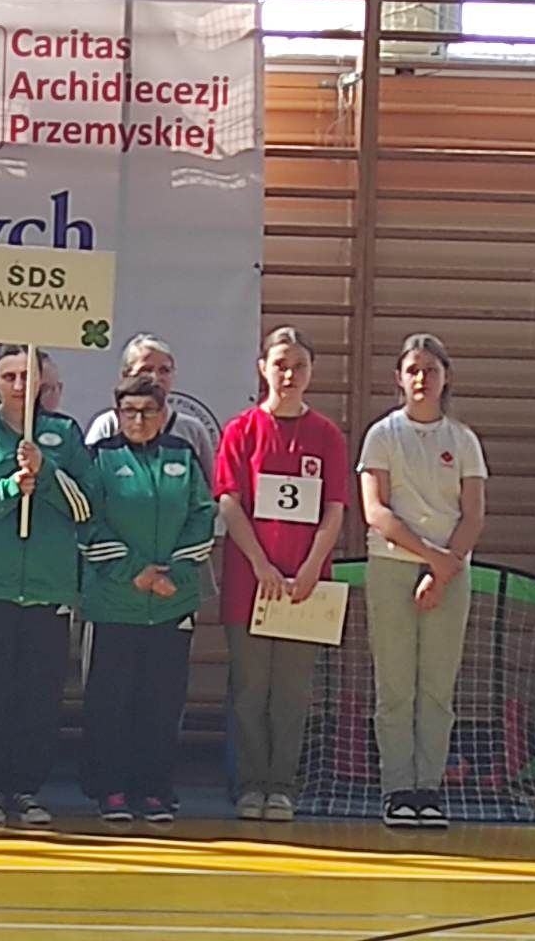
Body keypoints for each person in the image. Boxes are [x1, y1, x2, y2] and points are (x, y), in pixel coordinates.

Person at [0, 345, 96, 827]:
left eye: (28, 375)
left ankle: (25, 787)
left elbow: (87, 507)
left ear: (43, 380)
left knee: (39, 695)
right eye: (9, 376)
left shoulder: (65, 434)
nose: (20, 386)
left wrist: (46, 473)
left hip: (49, 587)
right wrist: (7, 489)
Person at [215, 326, 348, 822]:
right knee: (251, 690)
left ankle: (283, 786)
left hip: (305, 587)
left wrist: (311, 567)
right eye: (280, 364)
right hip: (251, 583)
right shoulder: (241, 430)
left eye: (299, 366)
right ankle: (251, 784)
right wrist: (260, 563)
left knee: (292, 692)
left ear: (311, 371)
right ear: (262, 369)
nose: (289, 374)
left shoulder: (326, 435)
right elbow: (229, 502)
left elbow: (334, 507)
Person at [359, 335, 487, 829]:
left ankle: (429, 789)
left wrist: (443, 570)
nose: (422, 379)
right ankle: (397, 789)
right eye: (413, 370)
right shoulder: (382, 435)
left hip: (450, 571)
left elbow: (473, 514)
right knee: (395, 686)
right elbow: (376, 511)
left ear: (445, 377)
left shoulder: (463, 440)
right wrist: (430, 559)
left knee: (437, 687)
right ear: (399, 377)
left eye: (431, 370)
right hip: (393, 565)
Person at [81, 374, 215, 825]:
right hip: (114, 602)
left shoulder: (183, 455)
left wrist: (173, 572)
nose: (138, 420)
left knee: (162, 702)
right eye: (130, 411)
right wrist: (134, 571)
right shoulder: (100, 458)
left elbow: (203, 516)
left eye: (148, 411)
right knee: (110, 701)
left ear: (163, 414)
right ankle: (110, 789)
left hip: (172, 602)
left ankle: (154, 789)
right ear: (117, 415)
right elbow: (88, 524)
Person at [84, 333, 218, 480]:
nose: (155, 377)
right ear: (126, 374)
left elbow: (209, 486)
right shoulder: (108, 424)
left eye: (164, 370)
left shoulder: (192, 430)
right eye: (146, 370)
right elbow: (87, 479)